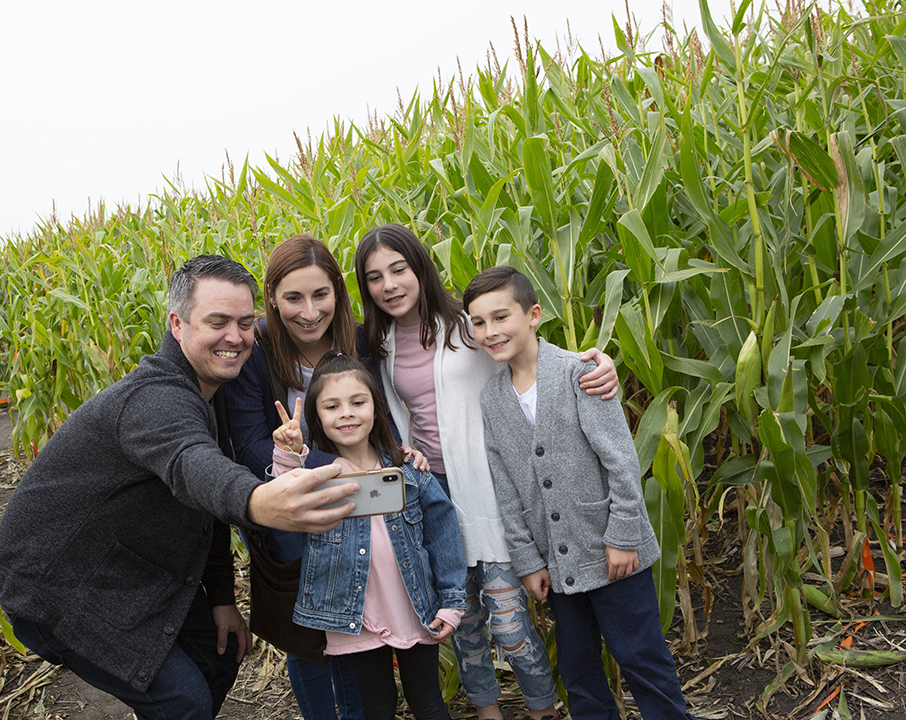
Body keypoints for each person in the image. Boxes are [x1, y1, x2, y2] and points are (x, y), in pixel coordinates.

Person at [0, 255, 361, 720]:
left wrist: (222, 598)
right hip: (58, 583)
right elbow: (195, 465)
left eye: (246, 324)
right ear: (177, 323)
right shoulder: (156, 398)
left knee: (221, 658)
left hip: (135, 569)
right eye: (218, 322)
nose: (236, 337)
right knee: (182, 701)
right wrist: (258, 500)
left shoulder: (213, 388)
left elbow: (201, 509)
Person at [354, 223, 619, 720]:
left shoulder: (466, 325)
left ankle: (543, 709)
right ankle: (487, 710)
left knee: (510, 622)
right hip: (431, 493)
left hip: (489, 490)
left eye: (398, 269)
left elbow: (530, 356)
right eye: (374, 277)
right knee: (464, 619)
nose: (388, 284)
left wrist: (599, 366)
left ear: (420, 267)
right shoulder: (380, 339)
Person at [464, 265, 696, 720]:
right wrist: (529, 561)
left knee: (641, 658)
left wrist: (623, 536)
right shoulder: (492, 398)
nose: (490, 332)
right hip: (558, 563)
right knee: (578, 669)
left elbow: (622, 461)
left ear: (533, 314)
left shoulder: (579, 373)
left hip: (612, 554)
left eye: (500, 317)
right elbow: (506, 487)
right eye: (478, 323)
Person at [273, 351, 466, 720]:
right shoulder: (317, 478)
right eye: (332, 406)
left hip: (415, 606)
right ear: (318, 416)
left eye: (357, 402)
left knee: (427, 700)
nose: (346, 413)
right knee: (376, 706)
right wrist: (289, 451)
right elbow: (285, 496)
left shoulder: (407, 469)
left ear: (376, 408)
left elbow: (444, 534)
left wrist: (452, 601)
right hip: (354, 615)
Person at [223, 235, 367, 720]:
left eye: (320, 295)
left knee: (352, 625)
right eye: (293, 298)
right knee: (307, 635)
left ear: (338, 293)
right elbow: (247, 444)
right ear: (271, 298)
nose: (309, 312)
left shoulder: (359, 342)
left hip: (354, 499)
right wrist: (299, 459)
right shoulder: (256, 351)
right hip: (284, 507)